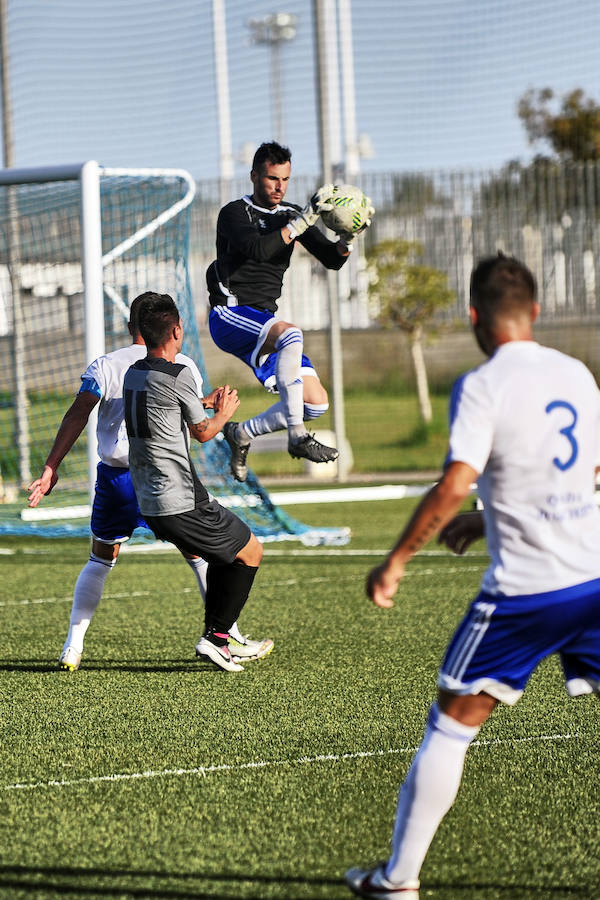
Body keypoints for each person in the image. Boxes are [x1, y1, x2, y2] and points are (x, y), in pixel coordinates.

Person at [346, 253, 600, 899]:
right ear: (536, 312)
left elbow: (457, 481)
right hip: (595, 580)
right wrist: (489, 521)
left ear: (474, 316)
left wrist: (396, 559)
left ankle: (398, 881)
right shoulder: (576, 374)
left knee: (451, 726)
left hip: (525, 595)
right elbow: (585, 477)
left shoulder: (483, 385)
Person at [28, 292, 273, 673]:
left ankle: (72, 647)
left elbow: (78, 413)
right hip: (168, 479)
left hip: (117, 481)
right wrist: (216, 409)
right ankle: (226, 635)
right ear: (174, 329)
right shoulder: (181, 363)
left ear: (132, 327)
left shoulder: (110, 366)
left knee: (100, 559)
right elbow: (193, 423)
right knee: (203, 555)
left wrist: (51, 465)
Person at [206, 140, 374, 482]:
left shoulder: (291, 214)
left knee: (315, 403)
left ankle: (242, 433)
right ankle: (297, 437)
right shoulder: (235, 214)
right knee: (291, 333)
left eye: (285, 179)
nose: (279, 186)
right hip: (229, 314)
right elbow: (257, 250)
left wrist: (348, 237)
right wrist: (301, 223)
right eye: (271, 179)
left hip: (263, 322)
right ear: (254, 176)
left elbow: (331, 259)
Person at [123, 292, 266, 672]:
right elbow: (203, 434)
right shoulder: (179, 373)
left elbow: (164, 407)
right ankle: (217, 637)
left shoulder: (134, 372)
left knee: (223, 555)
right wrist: (224, 412)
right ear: (176, 330)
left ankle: (218, 637)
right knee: (250, 551)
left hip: (150, 499)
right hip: (179, 497)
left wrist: (200, 401)